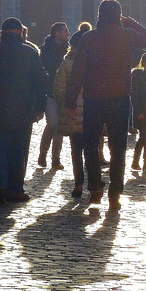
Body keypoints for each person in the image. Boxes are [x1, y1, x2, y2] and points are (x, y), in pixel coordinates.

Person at [65, 0, 146, 210]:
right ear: (118, 15)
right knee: (118, 147)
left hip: (94, 98)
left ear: (99, 15)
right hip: (120, 98)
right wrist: (129, 21)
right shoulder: (127, 35)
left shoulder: (89, 38)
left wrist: (70, 101)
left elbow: (78, 72)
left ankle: (95, 186)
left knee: (91, 144)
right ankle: (115, 192)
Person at [0, 17, 48, 205]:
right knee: (18, 150)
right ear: (21, 33)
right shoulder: (30, 52)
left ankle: (0, 188)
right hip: (22, 109)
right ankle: (16, 189)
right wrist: (40, 107)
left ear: (1, 33)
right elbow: (41, 82)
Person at [54, 22, 92, 198]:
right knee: (92, 149)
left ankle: (78, 183)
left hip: (73, 111)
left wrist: (65, 104)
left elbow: (59, 88)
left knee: (76, 150)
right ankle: (93, 183)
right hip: (93, 111)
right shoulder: (95, 63)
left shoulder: (66, 63)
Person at [38, 22, 70, 170]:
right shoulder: (44, 50)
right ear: (57, 33)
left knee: (60, 127)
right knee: (53, 123)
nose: (68, 33)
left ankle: (55, 159)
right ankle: (43, 153)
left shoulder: (68, 50)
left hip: (63, 92)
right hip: (49, 91)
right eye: (65, 31)